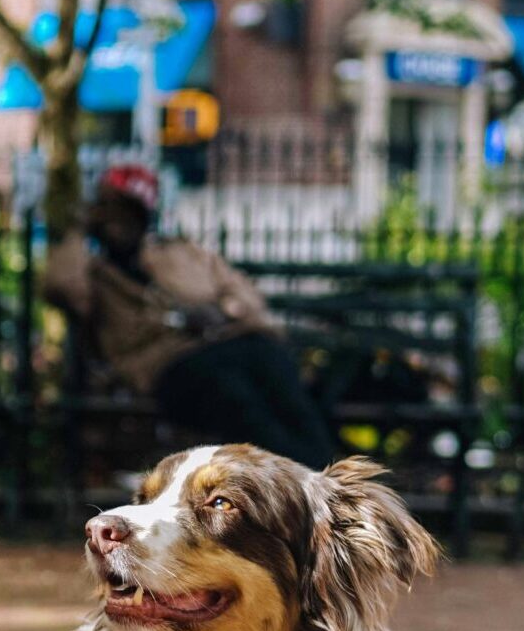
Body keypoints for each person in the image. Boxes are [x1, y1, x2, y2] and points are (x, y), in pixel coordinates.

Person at [44, 164, 334, 470]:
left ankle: (319, 478)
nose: (118, 220)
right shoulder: (93, 274)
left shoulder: (181, 254)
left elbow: (245, 295)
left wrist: (223, 312)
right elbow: (58, 286)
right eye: (110, 209)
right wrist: (78, 231)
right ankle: (298, 479)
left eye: (128, 210)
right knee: (233, 396)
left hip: (229, 340)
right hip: (167, 365)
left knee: (277, 370)